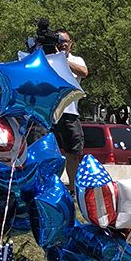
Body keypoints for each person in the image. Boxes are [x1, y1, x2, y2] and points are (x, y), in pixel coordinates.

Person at [53, 29, 88, 192]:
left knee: (73, 153)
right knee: (49, 152)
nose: (63, 44)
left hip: (70, 113)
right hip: (50, 114)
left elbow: (84, 73)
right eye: (59, 41)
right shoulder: (48, 60)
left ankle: (73, 190)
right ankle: (50, 187)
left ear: (71, 43)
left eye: (65, 41)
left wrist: (63, 60)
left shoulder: (76, 59)